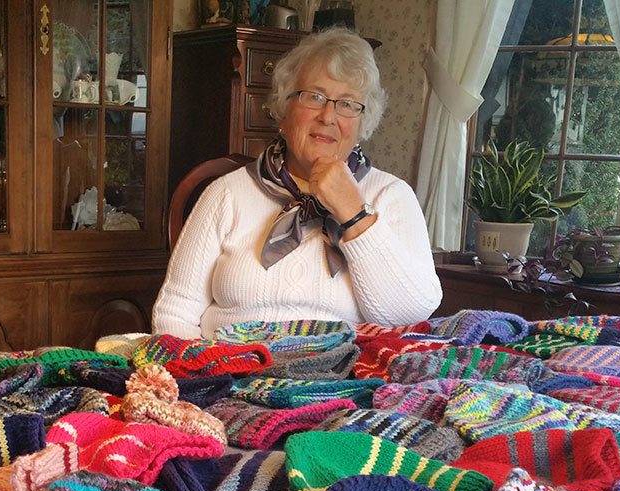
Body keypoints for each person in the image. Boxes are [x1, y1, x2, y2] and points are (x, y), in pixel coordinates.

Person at [152, 27, 441, 339]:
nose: (328, 116)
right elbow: (175, 314)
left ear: (362, 122)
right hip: (229, 372)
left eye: (347, 104)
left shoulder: (392, 196)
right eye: (314, 97)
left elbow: (409, 316)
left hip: (346, 380)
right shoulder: (226, 194)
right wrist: (209, 377)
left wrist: (353, 211)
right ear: (283, 111)